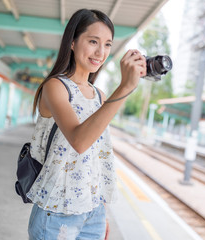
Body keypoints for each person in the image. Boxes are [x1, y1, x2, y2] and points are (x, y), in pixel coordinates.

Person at [26, 9, 146, 240]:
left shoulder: (100, 96)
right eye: (93, 41)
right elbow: (79, 141)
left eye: (108, 44)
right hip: (56, 212)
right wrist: (124, 88)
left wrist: (101, 212)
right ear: (72, 42)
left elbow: (97, 157)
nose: (101, 52)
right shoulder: (55, 87)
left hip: (93, 212)